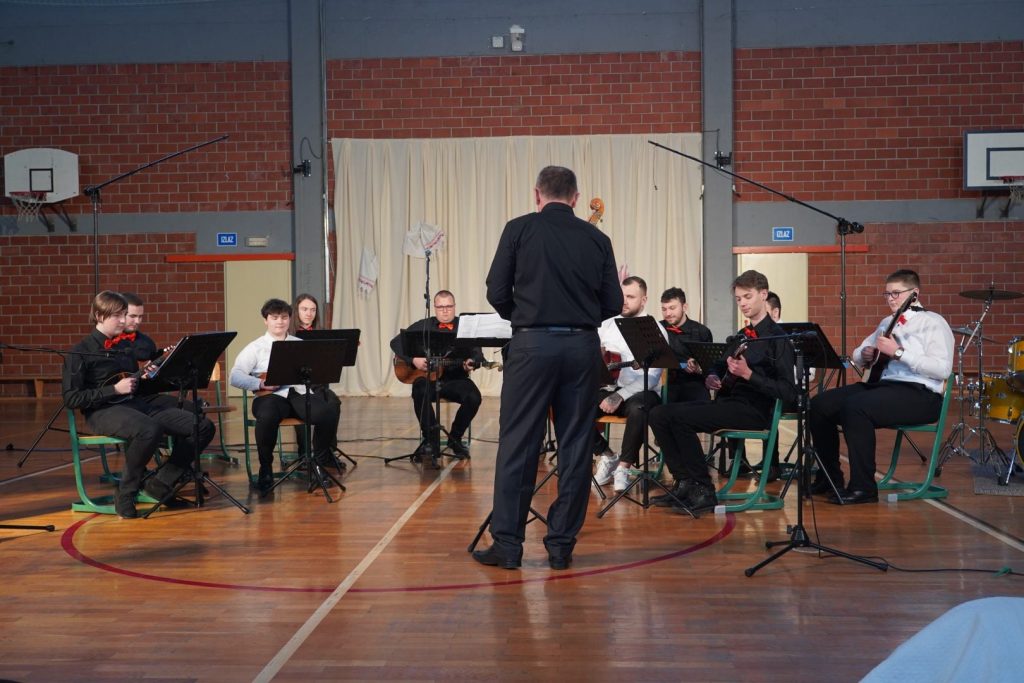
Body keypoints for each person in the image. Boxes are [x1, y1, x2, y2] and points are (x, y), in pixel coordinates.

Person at [476, 164, 623, 570]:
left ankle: (508, 545)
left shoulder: (519, 229)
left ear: (537, 195)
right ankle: (561, 546)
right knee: (576, 444)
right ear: (576, 198)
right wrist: (580, 317)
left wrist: (526, 317)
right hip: (581, 348)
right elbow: (613, 302)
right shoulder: (598, 239)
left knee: (518, 443)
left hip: (531, 346)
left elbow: (496, 290)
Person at [648, 270, 797, 514]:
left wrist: (749, 375)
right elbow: (718, 364)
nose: (743, 303)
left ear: (764, 294)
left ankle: (703, 489)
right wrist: (713, 376)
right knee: (658, 414)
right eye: (738, 299)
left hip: (755, 410)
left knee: (680, 419)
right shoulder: (742, 336)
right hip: (729, 403)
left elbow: (788, 391)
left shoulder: (779, 339)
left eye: (747, 297)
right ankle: (684, 482)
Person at [62, 291, 215, 518]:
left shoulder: (126, 347)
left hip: (135, 404)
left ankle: (161, 482)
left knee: (202, 426)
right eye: (118, 316)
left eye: (124, 315)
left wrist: (147, 377)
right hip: (102, 411)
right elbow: (72, 398)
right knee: (149, 429)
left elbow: (134, 386)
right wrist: (114, 389)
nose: (124, 321)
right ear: (99, 316)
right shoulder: (80, 352)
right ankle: (126, 493)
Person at [808, 269, 953, 504]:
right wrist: (865, 353)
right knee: (819, 404)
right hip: (884, 387)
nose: (891, 299)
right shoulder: (887, 322)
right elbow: (858, 353)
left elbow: (942, 369)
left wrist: (899, 353)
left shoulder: (933, 323)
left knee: (856, 407)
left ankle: (864, 488)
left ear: (914, 294)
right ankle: (829, 478)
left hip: (921, 394)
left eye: (896, 293)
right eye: (887, 294)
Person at [229, 298, 342, 493]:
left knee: (328, 413)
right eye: (274, 318)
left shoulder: (300, 344)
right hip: (270, 396)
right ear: (266, 320)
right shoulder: (255, 347)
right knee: (267, 415)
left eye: (284, 317)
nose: (280, 322)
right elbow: (235, 376)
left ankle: (318, 464)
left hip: (298, 394)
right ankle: (265, 469)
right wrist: (260, 383)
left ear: (290, 319)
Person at [592, 276, 668, 493]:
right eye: (622, 296)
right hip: (609, 388)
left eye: (631, 297)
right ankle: (607, 456)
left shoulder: (654, 329)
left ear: (643, 300)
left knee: (639, 408)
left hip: (642, 391)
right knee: (572, 404)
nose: (624, 301)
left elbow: (652, 377)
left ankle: (623, 468)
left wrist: (620, 396)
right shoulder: (607, 324)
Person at [389, 290, 484, 462]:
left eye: (449, 306)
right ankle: (431, 440)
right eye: (441, 307)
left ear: (454, 307)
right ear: (434, 308)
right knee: (419, 388)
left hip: (456, 379)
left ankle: (455, 438)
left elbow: (477, 354)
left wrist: (473, 361)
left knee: (474, 397)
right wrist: (413, 360)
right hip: (429, 380)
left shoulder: (465, 327)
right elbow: (395, 342)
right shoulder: (424, 325)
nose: (445, 311)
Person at [289, 293, 344, 468]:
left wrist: (341, 350)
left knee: (333, 403)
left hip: (317, 384)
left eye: (313, 310)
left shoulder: (321, 334)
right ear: (296, 311)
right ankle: (304, 455)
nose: (309, 313)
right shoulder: (288, 334)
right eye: (304, 309)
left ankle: (326, 453)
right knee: (305, 407)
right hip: (296, 386)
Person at [659, 286, 713, 404]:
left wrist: (698, 366)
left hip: (694, 384)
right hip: (666, 384)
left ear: (685, 307)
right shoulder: (657, 329)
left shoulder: (702, 331)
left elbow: (709, 368)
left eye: (672, 308)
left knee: (702, 404)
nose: (667, 313)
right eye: (664, 309)